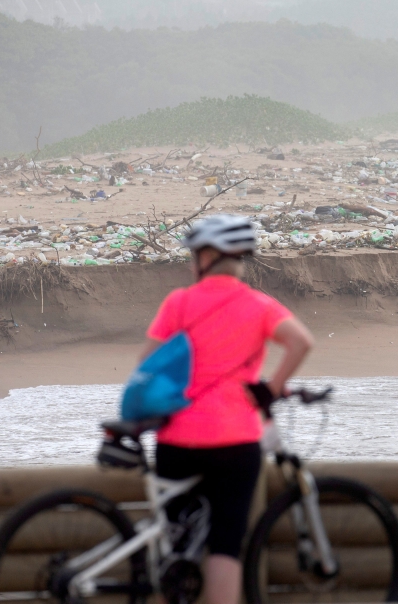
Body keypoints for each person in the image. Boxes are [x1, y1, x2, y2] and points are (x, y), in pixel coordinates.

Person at [139, 215, 314, 604]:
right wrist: (269, 389)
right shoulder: (259, 305)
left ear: (208, 256)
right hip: (235, 442)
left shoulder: (179, 302)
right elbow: (301, 342)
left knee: (175, 548)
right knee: (225, 545)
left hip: (177, 440)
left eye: (193, 255)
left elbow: (147, 364)